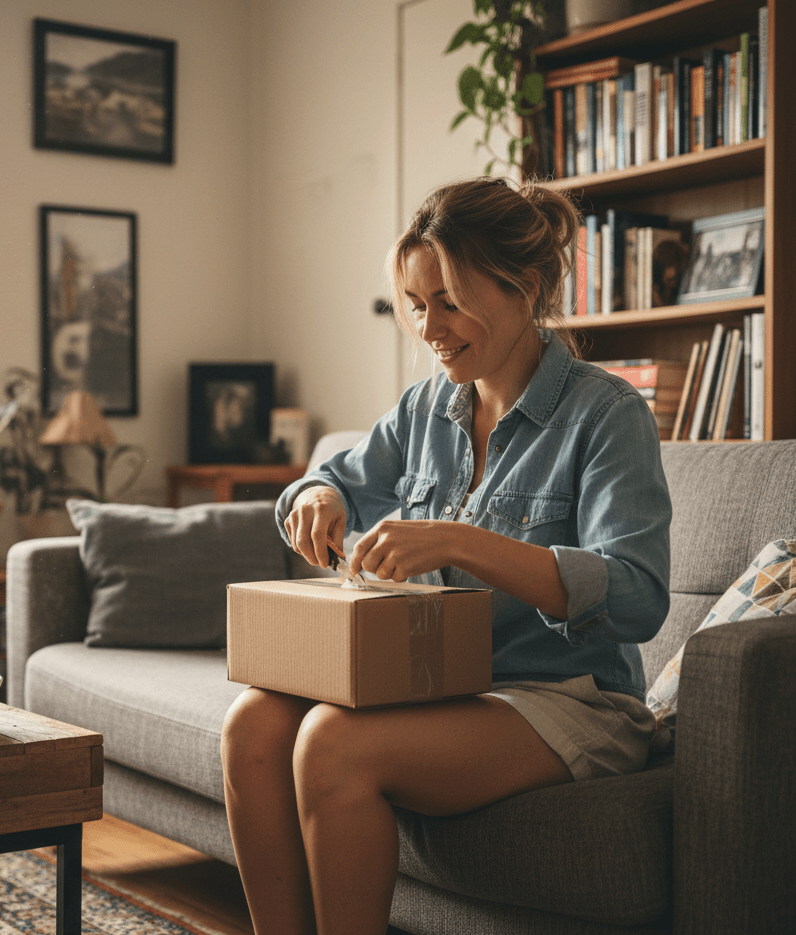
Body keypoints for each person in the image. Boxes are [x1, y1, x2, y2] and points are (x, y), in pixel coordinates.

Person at [220, 177, 672, 935]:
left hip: (569, 698)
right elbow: (329, 479)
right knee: (251, 727)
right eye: (417, 303)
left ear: (524, 288)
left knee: (332, 744)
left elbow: (638, 596)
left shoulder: (606, 414)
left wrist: (463, 541)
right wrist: (316, 498)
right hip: (444, 688)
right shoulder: (427, 407)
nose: (430, 327)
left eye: (450, 301)